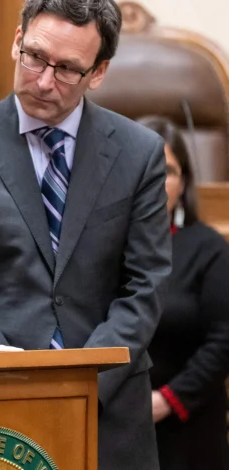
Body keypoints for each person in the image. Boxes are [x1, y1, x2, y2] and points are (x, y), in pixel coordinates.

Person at [0, 1, 171, 468]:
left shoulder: (140, 153)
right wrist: (24, 383)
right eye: (34, 56)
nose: (42, 80)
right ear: (17, 41)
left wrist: (82, 380)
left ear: (98, 72)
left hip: (111, 406)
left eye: (67, 70)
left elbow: (146, 285)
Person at [136, 116, 229, 469]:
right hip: (114, 421)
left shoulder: (207, 248)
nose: (157, 182)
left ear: (184, 182)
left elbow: (224, 340)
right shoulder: (97, 248)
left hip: (188, 427)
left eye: (169, 172)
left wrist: (168, 400)